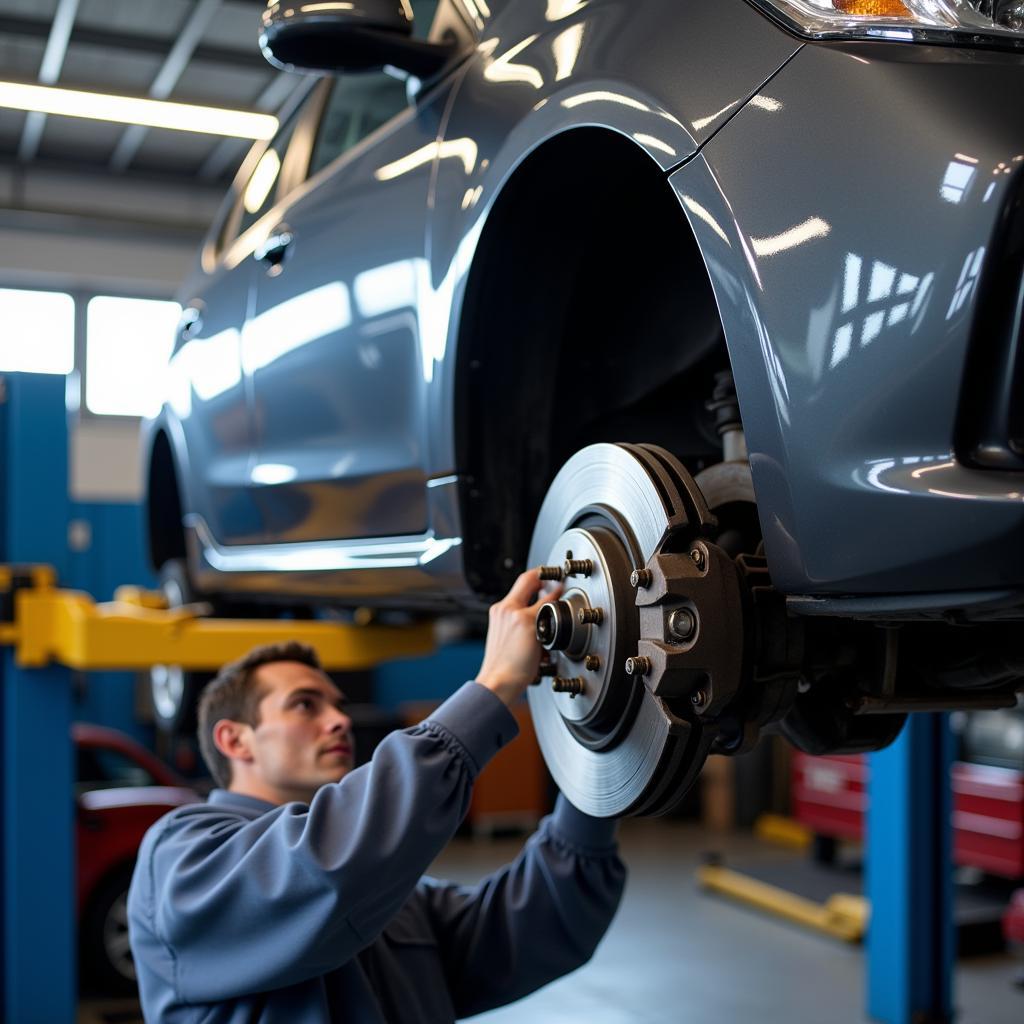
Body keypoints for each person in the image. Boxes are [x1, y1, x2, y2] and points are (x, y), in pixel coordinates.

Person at [128, 568, 627, 1023]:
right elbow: (325, 869)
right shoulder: (181, 856)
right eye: (305, 705)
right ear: (234, 739)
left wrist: (598, 755)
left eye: (338, 704)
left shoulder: (396, 895)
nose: (340, 719)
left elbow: (533, 927)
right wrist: (492, 686)